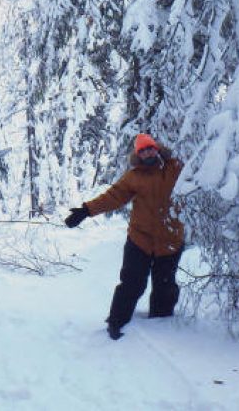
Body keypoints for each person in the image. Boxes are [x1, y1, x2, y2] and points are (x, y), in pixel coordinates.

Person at [64, 133, 184, 340]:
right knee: (131, 282)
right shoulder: (134, 176)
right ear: (138, 155)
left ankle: (162, 324)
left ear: (156, 148)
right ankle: (116, 321)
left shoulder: (176, 168)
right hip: (140, 240)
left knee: (165, 285)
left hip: (170, 241)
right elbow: (113, 197)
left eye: (150, 148)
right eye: (142, 150)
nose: (147, 152)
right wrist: (85, 211)